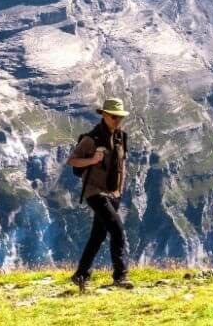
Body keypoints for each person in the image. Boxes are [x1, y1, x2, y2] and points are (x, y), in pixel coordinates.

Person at [67, 97, 133, 292]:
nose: (117, 120)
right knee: (117, 230)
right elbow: (73, 160)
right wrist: (93, 160)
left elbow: (122, 164)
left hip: (114, 193)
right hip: (95, 192)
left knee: (98, 236)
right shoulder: (91, 139)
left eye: (120, 117)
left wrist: (120, 189)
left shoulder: (122, 137)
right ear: (104, 115)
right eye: (114, 117)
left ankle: (81, 274)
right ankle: (120, 276)